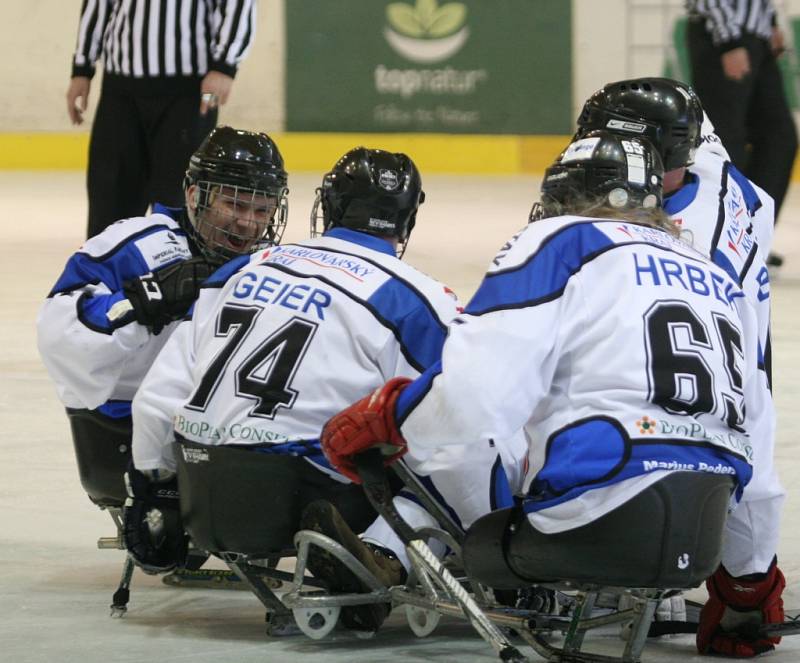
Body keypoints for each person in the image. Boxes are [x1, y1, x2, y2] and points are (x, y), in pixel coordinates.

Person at [320, 131, 783, 657]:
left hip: (591, 527)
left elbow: (475, 397)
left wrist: (395, 419)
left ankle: (389, 548)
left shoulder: (563, 241)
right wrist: (747, 588)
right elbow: (760, 464)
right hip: (697, 540)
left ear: (570, 200)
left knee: (449, 445)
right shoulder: (721, 279)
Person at [127, 148, 490, 625]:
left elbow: (160, 394)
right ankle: (383, 555)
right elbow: (464, 411)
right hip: (304, 497)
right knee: (453, 441)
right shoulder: (413, 296)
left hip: (205, 485)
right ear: (404, 223)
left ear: (328, 205)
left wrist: (156, 491)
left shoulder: (238, 270)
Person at [576, 78, 786, 657]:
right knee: (744, 439)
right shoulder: (718, 176)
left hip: (643, 423)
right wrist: (749, 583)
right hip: (734, 387)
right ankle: (745, 587)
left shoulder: (643, 237)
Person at [37, 126, 288, 511]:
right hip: (128, 433)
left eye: (261, 209)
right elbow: (59, 331)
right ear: (194, 195)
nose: (248, 224)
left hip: (228, 429)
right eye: (234, 205)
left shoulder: (268, 265)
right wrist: (144, 301)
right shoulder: (138, 244)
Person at [67, 0, 257, 238]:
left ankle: (180, 272)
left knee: (178, 201)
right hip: (121, 90)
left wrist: (225, 65)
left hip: (188, 92)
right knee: (109, 198)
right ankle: (106, 272)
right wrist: (82, 69)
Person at [686, 0, 797, 268]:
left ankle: (751, 238)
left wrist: (768, 22)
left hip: (754, 33)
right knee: (724, 143)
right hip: (723, 34)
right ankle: (716, 238)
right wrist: (728, 42)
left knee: (780, 138)